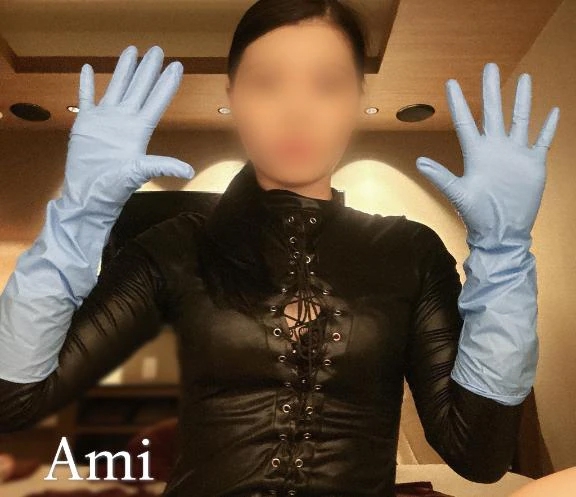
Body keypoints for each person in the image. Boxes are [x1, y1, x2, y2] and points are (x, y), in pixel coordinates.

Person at [0, 1, 560, 496]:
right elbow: (15, 403)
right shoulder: (175, 246)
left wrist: (503, 253)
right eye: (267, 83)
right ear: (233, 98)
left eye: (327, 85)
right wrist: (79, 214)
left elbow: (478, 454)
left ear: (357, 100)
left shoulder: (410, 251)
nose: (297, 110)